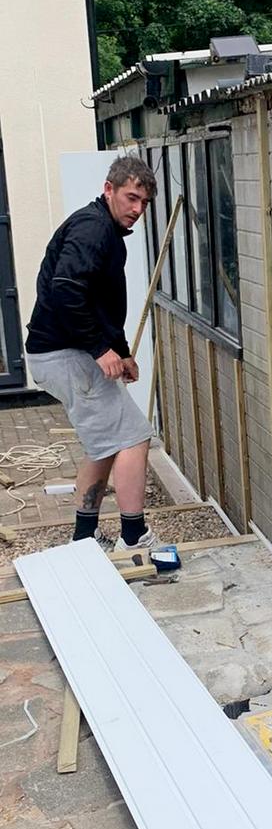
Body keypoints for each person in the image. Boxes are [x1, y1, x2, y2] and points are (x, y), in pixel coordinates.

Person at [25, 156, 158, 551]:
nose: (137, 210)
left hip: (65, 352)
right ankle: (134, 537)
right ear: (109, 189)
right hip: (66, 355)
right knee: (135, 437)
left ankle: (85, 537)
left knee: (105, 443)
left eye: (145, 203)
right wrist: (101, 351)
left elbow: (97, 302)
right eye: (131, 198)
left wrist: (120, 351)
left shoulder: (103, 229)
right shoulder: (92, 229)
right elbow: (66, 288)